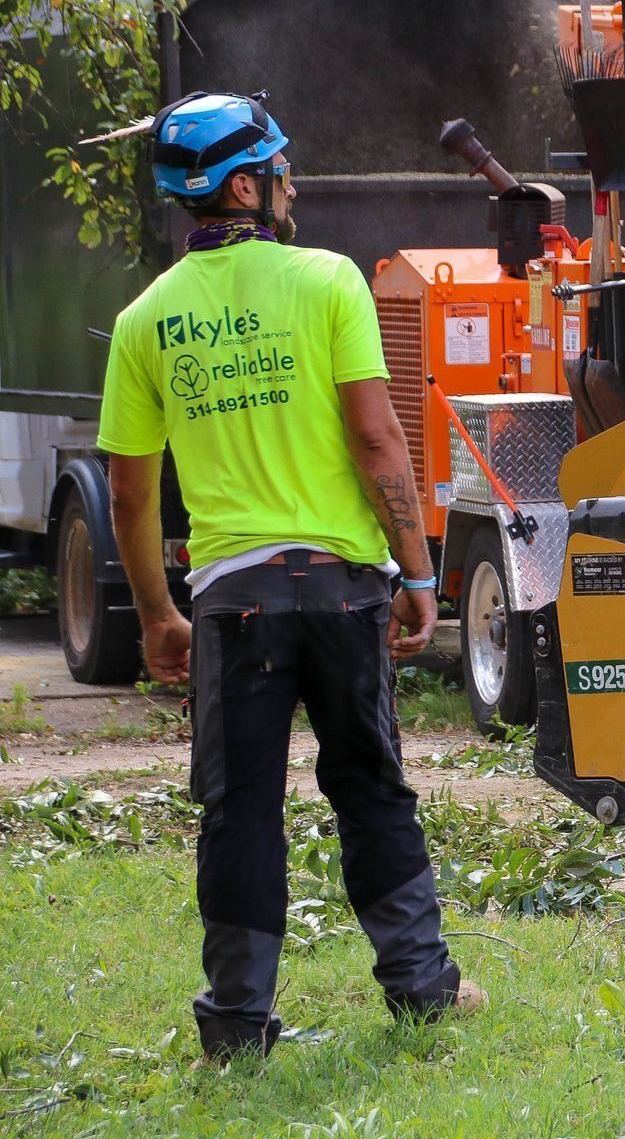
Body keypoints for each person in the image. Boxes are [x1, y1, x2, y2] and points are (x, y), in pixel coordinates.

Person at [96, 91, 482, 1062]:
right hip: (345, 590)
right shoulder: (328, 281)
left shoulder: (145, 321)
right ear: (243, 186)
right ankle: (424, 986)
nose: (294, 182)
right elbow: (377, 437)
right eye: (282, 166)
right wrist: (419, 571)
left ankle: (235, 1025)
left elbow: (133, 500)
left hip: (235, 607)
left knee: (239, 809)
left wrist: (157, 616)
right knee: (372, 786)